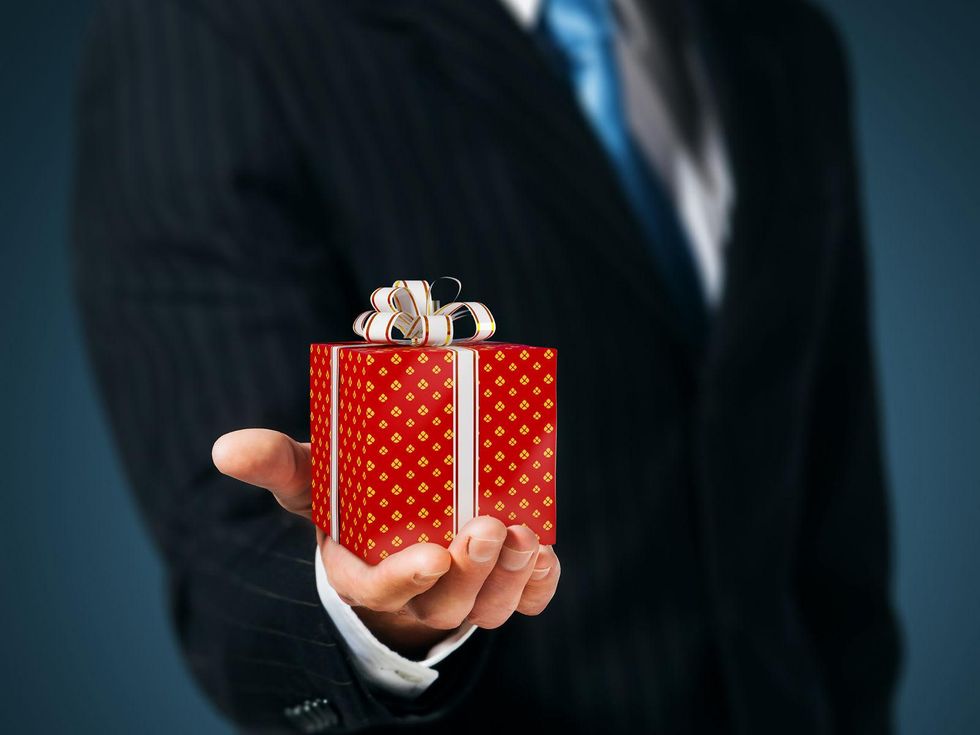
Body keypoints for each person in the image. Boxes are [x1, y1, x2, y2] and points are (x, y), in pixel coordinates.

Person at [72, 0, 902, 732]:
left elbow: (833, 506)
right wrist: (374, 619)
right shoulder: (207, 32)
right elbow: (232, 554)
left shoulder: (784, 40)